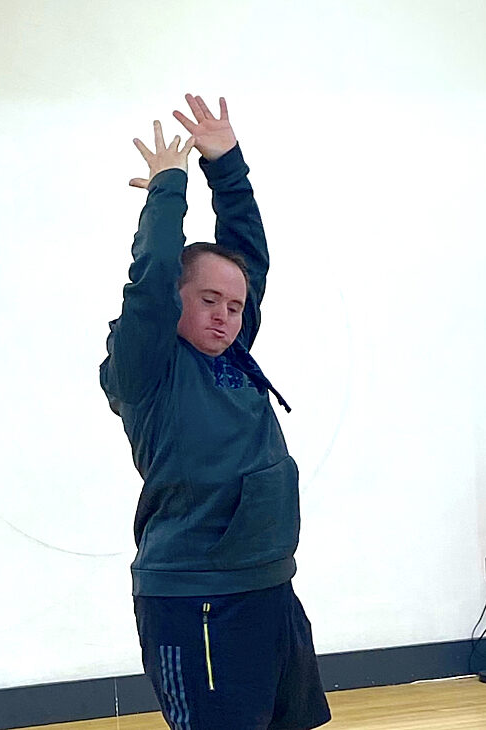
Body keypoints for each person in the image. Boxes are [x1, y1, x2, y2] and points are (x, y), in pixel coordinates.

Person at [99, 94, 332, 730]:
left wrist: (225, 164)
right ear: (174, 304)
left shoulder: (231, 351)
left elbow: (247, 255)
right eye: (208, 300)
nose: (225, 317)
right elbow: (149, 281)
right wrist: (169, 189)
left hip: (268, 590)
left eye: (234, 307)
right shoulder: (149, 367)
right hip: (198, 599)